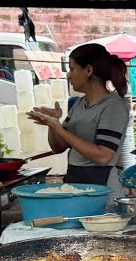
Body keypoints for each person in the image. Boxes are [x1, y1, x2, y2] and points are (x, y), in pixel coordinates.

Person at [27, 42, 130, 189]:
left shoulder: (112, 106)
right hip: (75, 180)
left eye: (72, 69)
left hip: (101, 185)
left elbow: (104, 156)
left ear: (88, 70)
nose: (68, 76)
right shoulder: (79, 104)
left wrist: (60, 129)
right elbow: (59, 148)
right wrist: (53, 124)